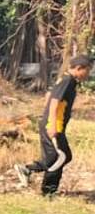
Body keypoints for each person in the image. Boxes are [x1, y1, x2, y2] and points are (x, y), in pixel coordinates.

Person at [15, 55, 91, 196]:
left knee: (62, 156)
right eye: (87, 70)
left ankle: (38, 179)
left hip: (56, 124)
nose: (88, 74)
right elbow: (55, 101)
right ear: (79, 68)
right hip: (53, 126)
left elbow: (49, 95)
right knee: (59, 157)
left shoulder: (68, 80)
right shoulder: (67, 81)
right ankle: (45, 188)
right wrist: (51, 124)